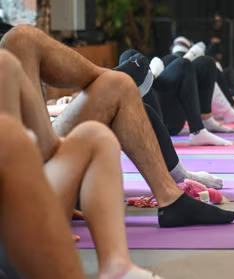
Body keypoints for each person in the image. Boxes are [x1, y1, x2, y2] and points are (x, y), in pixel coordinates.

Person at [1, 25, 234, 228]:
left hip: (34, 153)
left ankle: (172, 199)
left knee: (22, 39)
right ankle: (128, 78)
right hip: (19, 179)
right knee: (125, 84)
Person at [0, 49, 162, 278]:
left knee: (95, 136)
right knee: (12, 138)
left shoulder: (7, 63)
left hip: (26, 185)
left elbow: (49, 145)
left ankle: (117, 266)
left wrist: (48, 198)